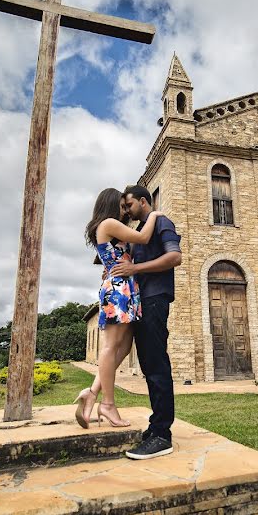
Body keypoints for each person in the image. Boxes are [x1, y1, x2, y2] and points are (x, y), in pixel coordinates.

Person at [75, 188, 162, 429]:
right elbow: (143, 237)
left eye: (127, 206)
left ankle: (92, 392)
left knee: (124, 347)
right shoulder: (109, 223)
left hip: (126, 287)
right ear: (112, 205)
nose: (126, 211)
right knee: (111, 346)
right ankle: (108, 405)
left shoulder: (110, 227)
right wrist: (154, 214)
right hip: (118, 287)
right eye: (122, 206)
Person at [110, 185, 182, 460]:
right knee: (149, 365)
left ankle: (163, 434)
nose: (126, 211)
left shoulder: (161, 221)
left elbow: (175, 257)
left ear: (143, 201)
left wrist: (135, 268)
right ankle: (156, 427)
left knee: (156, 365)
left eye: (129, 206)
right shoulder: (141, 232)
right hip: (141, 303)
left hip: (155, 300)